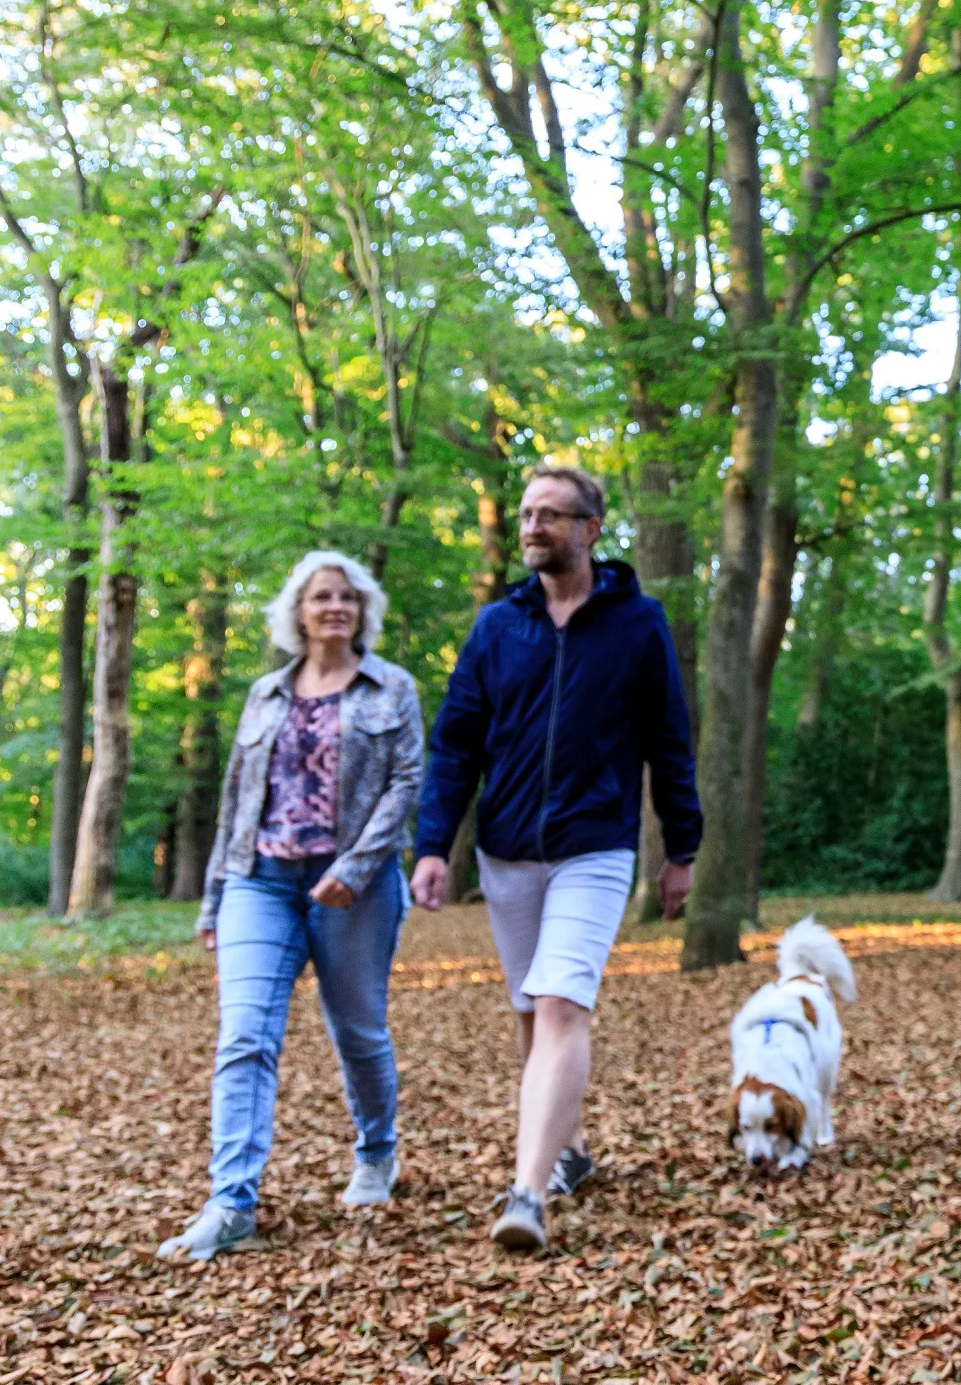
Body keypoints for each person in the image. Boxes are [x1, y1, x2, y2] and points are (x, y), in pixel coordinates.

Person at [412, 462, 701, 1255]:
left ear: (590, 530)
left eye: (550, 516)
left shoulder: (638, 624)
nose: (532, 527)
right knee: (529, 1012)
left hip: (595, 847)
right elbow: (456, 744)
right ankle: (567, 1152)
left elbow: (670, 741)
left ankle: (528, 1193)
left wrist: (683, 847)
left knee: (561, 1005)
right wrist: (433, 845)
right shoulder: (497, 626)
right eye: (526, 515)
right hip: (507, 851)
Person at [161, 551, 424, 1262]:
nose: (334, 607)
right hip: (260, 880)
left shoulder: (391, 687)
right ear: (298, 613)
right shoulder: (265, 694)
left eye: (346, 596)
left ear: (362, 609)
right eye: (320, 597)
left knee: (358, 1032)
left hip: (354, 887)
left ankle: (377, 1153)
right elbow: (235, 801)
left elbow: (407, 784)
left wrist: (356, 866)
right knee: (244, 1036)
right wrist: (215, 898)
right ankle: (231, 1204)